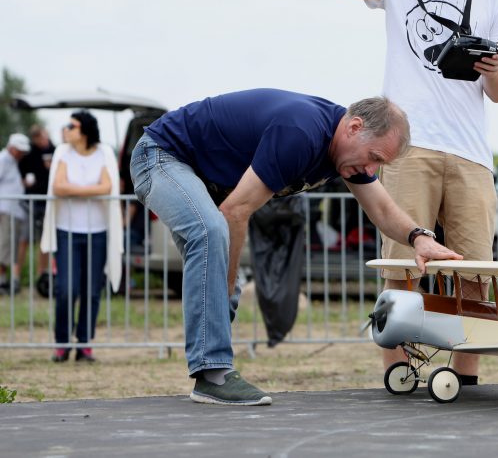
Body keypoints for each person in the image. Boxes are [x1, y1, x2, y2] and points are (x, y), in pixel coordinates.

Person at [130, 89, 461, 406]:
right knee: (212, 235)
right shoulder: (300, 133)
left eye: (379, 164)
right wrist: (224, 283)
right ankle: (213, 376)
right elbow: (235, 212)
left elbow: (383, 211)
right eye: (373, 158)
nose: (370, 171)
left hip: (206, 178)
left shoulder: (345, 150)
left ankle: (212, 366)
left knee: (221, 279)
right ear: (354, 127)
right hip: (161, 156)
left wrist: (420, 238)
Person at [318, 0, 498, 385]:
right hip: (408, 148)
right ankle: (399, 371)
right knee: (402, 265)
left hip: (471, 151)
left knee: (475, 270)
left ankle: (464, 375)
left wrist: (493, 72)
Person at [40, 112, 123, 363]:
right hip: (66, 231)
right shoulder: (62, 153)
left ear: (85, 129)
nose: (67, 129)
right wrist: (91, 191)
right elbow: (59, 187)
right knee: (66, 288)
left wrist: (75, 192)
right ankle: (62, 342)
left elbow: (108, 187)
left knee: (92, 291)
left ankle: (85, 343)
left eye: (72, 125)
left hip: (97, 232)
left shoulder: (104, 153)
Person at [13, 126, 56, 292]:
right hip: (30, 202)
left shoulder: (54, 150)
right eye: (39, 139)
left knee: (44, 242)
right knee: (24, 239)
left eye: (44, 137)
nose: (43, 141)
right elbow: (20, 173)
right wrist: (24, 181)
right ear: (35, 139)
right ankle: (16, 276)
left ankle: (42, 277)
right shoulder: (28, 153)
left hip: (48, 201)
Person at [0, 133, 30, 294]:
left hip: (15, 211)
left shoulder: (13, 162)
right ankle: (2, 282)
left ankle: (8, 281)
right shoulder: (3, 159)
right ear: (12, 148)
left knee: (11, 246)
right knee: (4, 245)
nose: (22, 154)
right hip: (6, 210)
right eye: (20, 150)